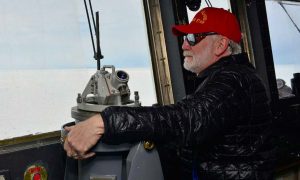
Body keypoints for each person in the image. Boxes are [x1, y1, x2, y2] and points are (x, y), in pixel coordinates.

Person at [64, 7, 275, 179]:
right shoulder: (225, 77)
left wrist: (104, 122)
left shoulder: (233, 80)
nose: (184, 44)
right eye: (185, 36)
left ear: (221, 45)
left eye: (193, 37)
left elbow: (188, 119)